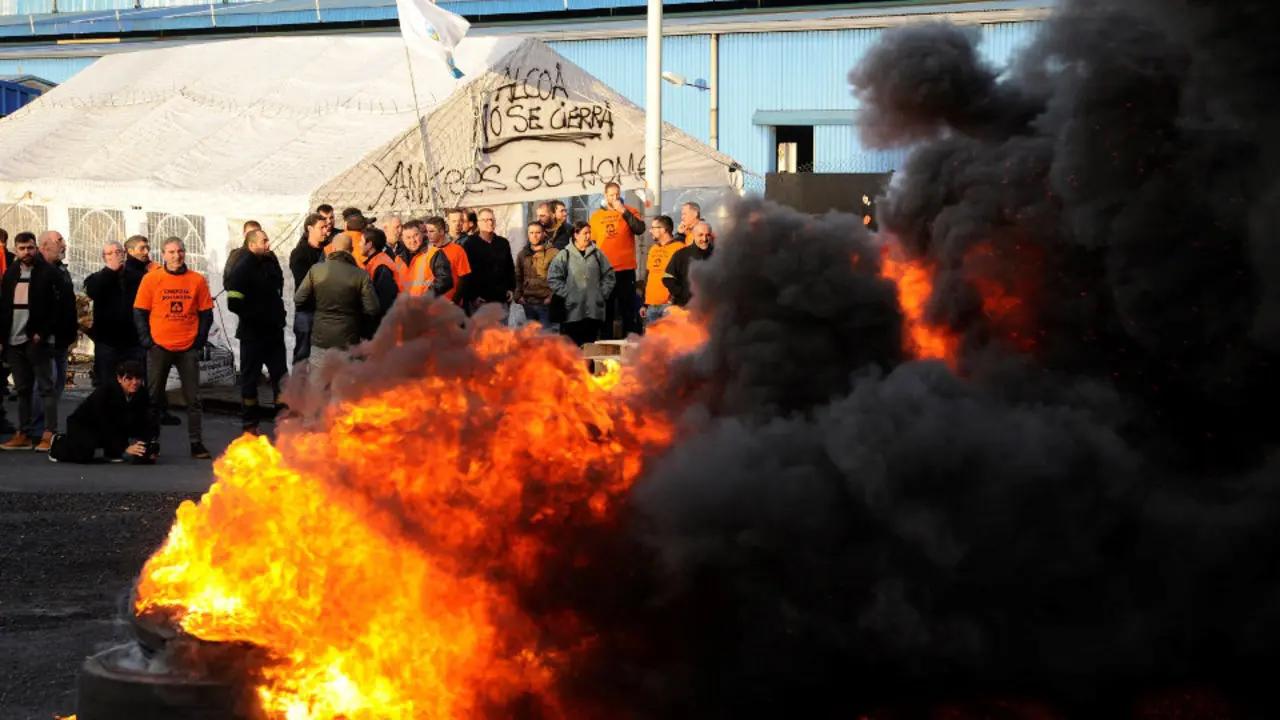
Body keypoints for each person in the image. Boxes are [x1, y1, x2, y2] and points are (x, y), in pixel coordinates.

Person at [133, 237, 215, 459]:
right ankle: (152, 442)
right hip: (159, 346)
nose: (176, 256)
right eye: (171, 252)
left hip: (187, 347)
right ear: (163, 255)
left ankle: (196, 443)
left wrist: (199, 340)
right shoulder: (152, 279)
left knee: (193, 399)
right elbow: (140, 311)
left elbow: (206, 313)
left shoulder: (197, 280)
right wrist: (147, 341)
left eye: (180, 251)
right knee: (153, 397)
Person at [0, 232, 63, 451]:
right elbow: (4, 306)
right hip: (13, 340)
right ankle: (24, 433)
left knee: (46, 388)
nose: (26, 252)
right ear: (16, 250)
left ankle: (49, 432)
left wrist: (42, 333)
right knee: (22, 389)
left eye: (30, 248)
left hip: (36, 340)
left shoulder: (48, 273)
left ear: (36, 248)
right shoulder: (11, 273)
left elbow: (57, 308)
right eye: (22, 248)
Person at [226, 229, 288, 434]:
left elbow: (276, 291)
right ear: (252, 245)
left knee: (281, 380)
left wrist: (278, 315)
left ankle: (284, 422)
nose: (268, 245)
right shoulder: (243, 267)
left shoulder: (270, 263)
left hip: (273, 334)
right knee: (250, 381)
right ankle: (250, 424)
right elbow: (233, 301)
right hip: (253, 335)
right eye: (264, 241)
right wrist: (256, 316)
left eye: (268, 240)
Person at [293, 232, 379, 376]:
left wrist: (319, 304)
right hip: (348, 338)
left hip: (320, 338)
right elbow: (373, 308)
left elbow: (299, 298)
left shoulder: (316, 270)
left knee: (318, 380)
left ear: (332, 248)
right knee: (344, 382)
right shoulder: (361, 275)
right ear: (351, 250)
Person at [48, 359, 157, 464]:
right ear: (119, 379)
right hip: (85, 423)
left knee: (134, 419)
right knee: (83, 454)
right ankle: (58, 444)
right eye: (129, 379)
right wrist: (124, 447)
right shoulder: (105, 392)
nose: (134, 382)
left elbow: (146, 420)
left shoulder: (142, 393)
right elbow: (105, 422)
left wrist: (147, 446)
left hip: (111, 423)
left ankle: (112, 451)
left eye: (138, 378)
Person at [29, 230, 77, 441]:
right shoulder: (36, 269)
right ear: (44, 245)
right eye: (59, 241)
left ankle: (47, 427)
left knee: (56, 385)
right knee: (45, 384)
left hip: (61, 338)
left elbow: (67, 304)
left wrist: (72, 333)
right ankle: (38, 428)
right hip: (44, 338)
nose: (63, 244)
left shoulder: (61, 270)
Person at [84, 241, 147, 386]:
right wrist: (110, 271)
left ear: (124, 254)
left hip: (133, 340)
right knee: (107, 383)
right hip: (107, 341)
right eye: (110, 253)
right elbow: (92, 291)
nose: (115, 256)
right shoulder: (97, 278)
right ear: (104, 257)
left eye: (118, 252)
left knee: (134, 382)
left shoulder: (138, 277)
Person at [588, 182, 645, 339]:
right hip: (605, 271)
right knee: (606, 310)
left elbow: (640, 228)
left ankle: (630, 342)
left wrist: (623, 211)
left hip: (626, 269)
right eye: (611, 195)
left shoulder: (630, 211)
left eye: (617, 194)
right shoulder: (596, 217)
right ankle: (606, 343)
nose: (615, 198)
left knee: (628, 310)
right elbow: (593, 241)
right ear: (605, 196)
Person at [547, 221, 616, 346]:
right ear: (576, 235)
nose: (588, 236)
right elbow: (553, 278)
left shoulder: (597, 254)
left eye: (589, 233)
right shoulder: (565, 255)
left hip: (593, 310)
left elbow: (609, 275)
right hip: (572, 311)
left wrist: (601, 293)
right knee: (572, 348)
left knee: (590, 347)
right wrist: (568, 293)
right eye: (585, 233)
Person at [288, 213, 327, 366]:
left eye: (326, 227)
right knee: (303, 352)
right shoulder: (300, 253)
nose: (325, 231)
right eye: (321, 227)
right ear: (310, 228)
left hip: (324, 310)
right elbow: (304, 281)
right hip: (307, 309)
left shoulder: (327, 250)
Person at [462, 208, 515, 316]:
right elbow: (467, 273)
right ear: (478, 223)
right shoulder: (470, 244)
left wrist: (511, 289)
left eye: (492, 219)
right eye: (486, 220)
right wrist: (473, 296)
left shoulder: (503, 243)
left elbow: (510, 268)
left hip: (501, 299)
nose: (490, 223)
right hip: (481, 301)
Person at [640, 215, 686, 325]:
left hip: (669, 306)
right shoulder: (653, 249)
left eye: (653, 228)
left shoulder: (679, 247)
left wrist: (674, 300)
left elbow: (684, 277)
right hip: (651, 306)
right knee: (651, 336)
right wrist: (644, 304)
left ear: (664, 230)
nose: (650, 231)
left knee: (669, 336)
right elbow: (648, 276)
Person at [514, 221, 558, 329]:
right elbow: (518, 277)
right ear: (528, 234)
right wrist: (518, 297)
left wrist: (551, 297)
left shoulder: (554, 253)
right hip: (527, 303)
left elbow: (559, 278)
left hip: (546, 304)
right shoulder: (522, 254)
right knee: (531, 336)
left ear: (543, 233)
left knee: (545, 336)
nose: (534, 235)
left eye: (538, 232)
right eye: (531, 232)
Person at [397, 219, 454, 299]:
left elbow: (445, 280)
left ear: (422, 235)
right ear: (402, 239)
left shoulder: (434, 253)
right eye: (408, 237)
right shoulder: (398, 258)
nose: (413, 240)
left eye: (416, 235)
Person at [663, 221, 715, 308]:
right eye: (700, 235)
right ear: (693, 235)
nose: (705, 239)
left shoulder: (717, 255)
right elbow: (667, 278)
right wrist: (684, 294)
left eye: (708, 235)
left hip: (710, 308)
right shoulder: (681, 254)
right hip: (685, 307)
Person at [423, 216, 471, 306]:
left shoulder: (458, 250)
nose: (428, 234)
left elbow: (464, 278)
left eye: (431, 231)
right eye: (427, 231)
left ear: (441, 232)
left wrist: (455, 301)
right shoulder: (429, 252)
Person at [361, 227, 400, 332]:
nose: (359, 245)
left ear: (369, 245)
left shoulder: (381, 265)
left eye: (361, 241)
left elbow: (385, 299)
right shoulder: (377, 261)